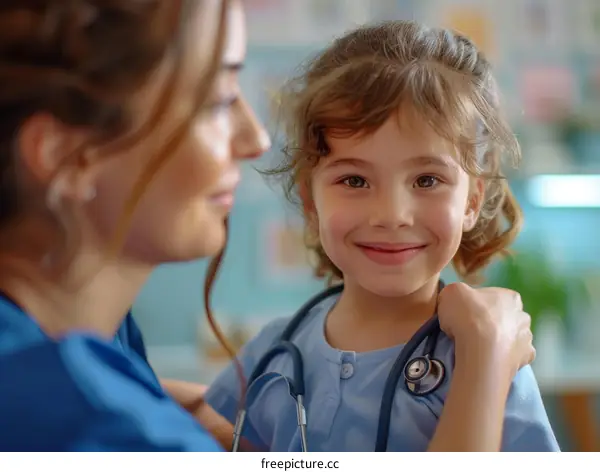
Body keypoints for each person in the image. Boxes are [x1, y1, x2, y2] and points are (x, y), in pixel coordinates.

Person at [0, 0, 532, 452]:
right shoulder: (97, 417)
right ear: (64, 152)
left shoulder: (106, 350)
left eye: (426, 180)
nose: (256, 139)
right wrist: (485, 359)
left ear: (472, 198)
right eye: (217, 99)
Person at [204, 20, 560, 452]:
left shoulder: (489, 363)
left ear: (470, 202)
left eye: (427, 180)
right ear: (311, 203)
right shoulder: (272, 352)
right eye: (355, 181)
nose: (391, 215)